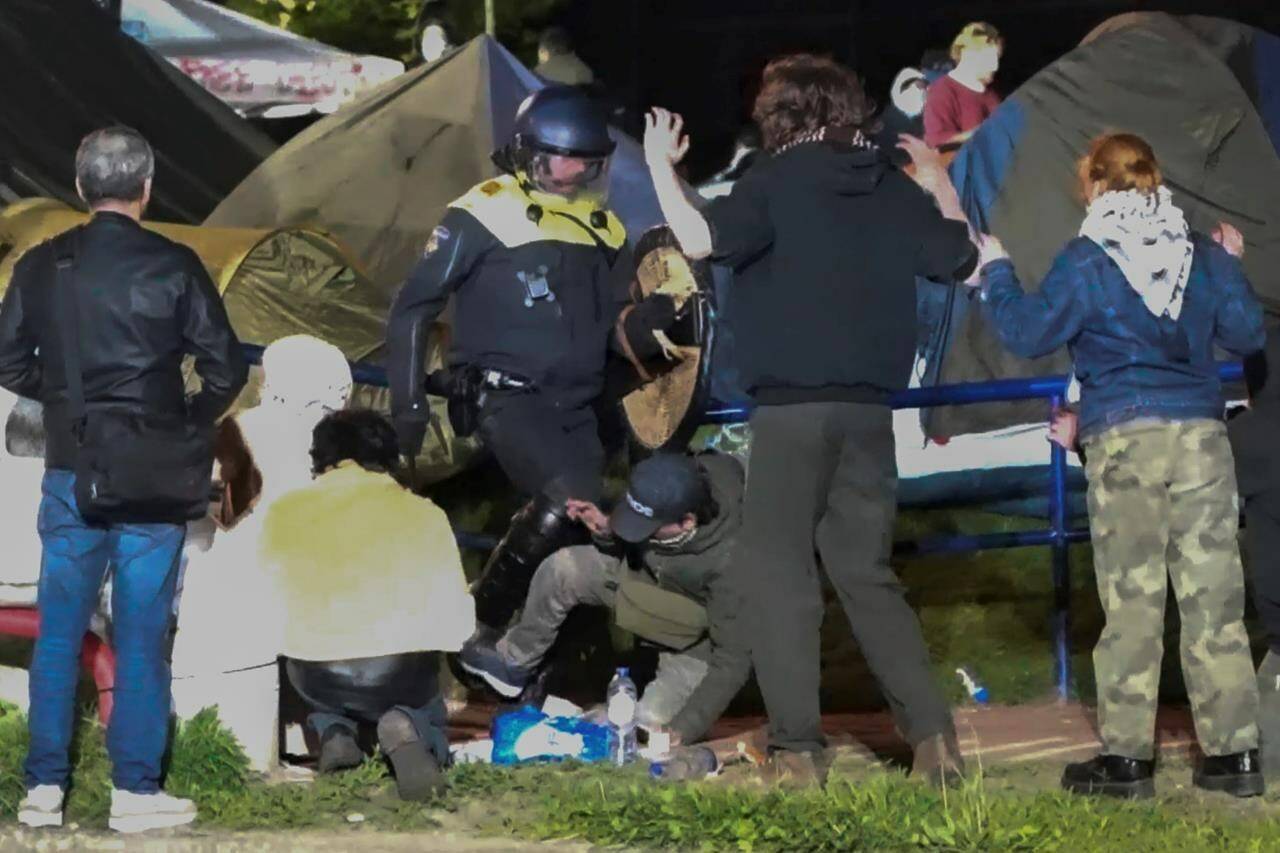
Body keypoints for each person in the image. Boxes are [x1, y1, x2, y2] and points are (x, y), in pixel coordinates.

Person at [643, 54, 978, 787]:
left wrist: (660, 167)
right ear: (848, 109)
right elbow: (960, 258)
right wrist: (941, 181)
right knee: (867, 573)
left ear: (778, 116)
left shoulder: (771, 180)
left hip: (792, 411)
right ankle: (934, 741)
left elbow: (697, 240)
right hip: (869, 411)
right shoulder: (886, 184)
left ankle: (799, 751)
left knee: (779, 575)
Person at [973, 133, 1265, 799]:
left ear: (1097, 186)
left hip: (1125, 437)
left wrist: (995, 270)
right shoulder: (1201, 250)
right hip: (1200, 435)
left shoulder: (1086, 257)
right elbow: (1248, 335)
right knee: (1213, 599)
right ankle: (1235, 755)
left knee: (1134, 603)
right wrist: (1230, 264)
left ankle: (1129, 760)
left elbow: (1026, 332)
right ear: (1153, 179)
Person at [0, 127, 247, 831]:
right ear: (147, 187)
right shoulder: (177, 264)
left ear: (80, 188)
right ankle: (136, 791)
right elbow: (225, 367)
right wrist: (186, 419)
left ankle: (42, 789)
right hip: (153, 472)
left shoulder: (44, 265)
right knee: (142, 632)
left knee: (59, 630)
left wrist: (62, 400)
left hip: (72, 468)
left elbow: (6, 358)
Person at [386, 86, 679, 650]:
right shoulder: (480, 212)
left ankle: (537, 669)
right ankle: (475, 625)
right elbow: (412, 308)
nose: (569, 172)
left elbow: (614, 332)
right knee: (571, 498)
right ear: (526, 152)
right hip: (507, 398)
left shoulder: (606, 228)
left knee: (585, 534)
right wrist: (410, 405)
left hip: (580, 409)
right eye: (557, 157)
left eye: (583, 161)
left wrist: (650, 320)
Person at [460, 452, 749, 745]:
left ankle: (602, 717)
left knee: (643, 729)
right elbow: (635, 528)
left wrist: (685, 728)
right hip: (637, 581)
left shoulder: (731, 563)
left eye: (645, 527)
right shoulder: (668, 486)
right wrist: (606, 530)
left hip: (692, 647)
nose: (636, 529)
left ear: (687, 522)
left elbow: (732, 660)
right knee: (564, 569)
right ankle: (514, 662)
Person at [266, 409, 474, 799]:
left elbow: (266, 590)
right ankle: (407, 725)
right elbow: (457, 616)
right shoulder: (424, 512)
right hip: (397, 671)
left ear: (320, 456)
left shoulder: (284, 510)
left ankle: (334, 731)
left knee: (315, 656)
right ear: (388, 456)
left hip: (316, 672)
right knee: (423, 697)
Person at [923, 22, 1003, 150]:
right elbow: (936, 141)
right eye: (989, 59)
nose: (995, 66)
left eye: (998, 58)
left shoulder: (990, 90)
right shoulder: (942, 91)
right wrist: (980, 133)